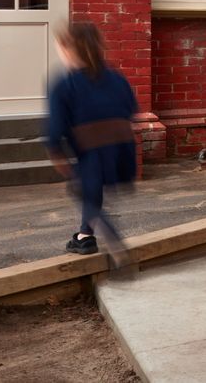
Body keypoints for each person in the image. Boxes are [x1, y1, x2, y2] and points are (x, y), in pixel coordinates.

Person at [43, 22, 139, 261]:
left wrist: (56, 153)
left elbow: (56, 126)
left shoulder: (64, 84)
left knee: (82, 186)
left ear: (68, 50)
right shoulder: (116, 77)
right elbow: (130, 109)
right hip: (121, 146)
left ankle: (106, 232)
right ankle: (85, 236)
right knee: (90, 187)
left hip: (91, 146)